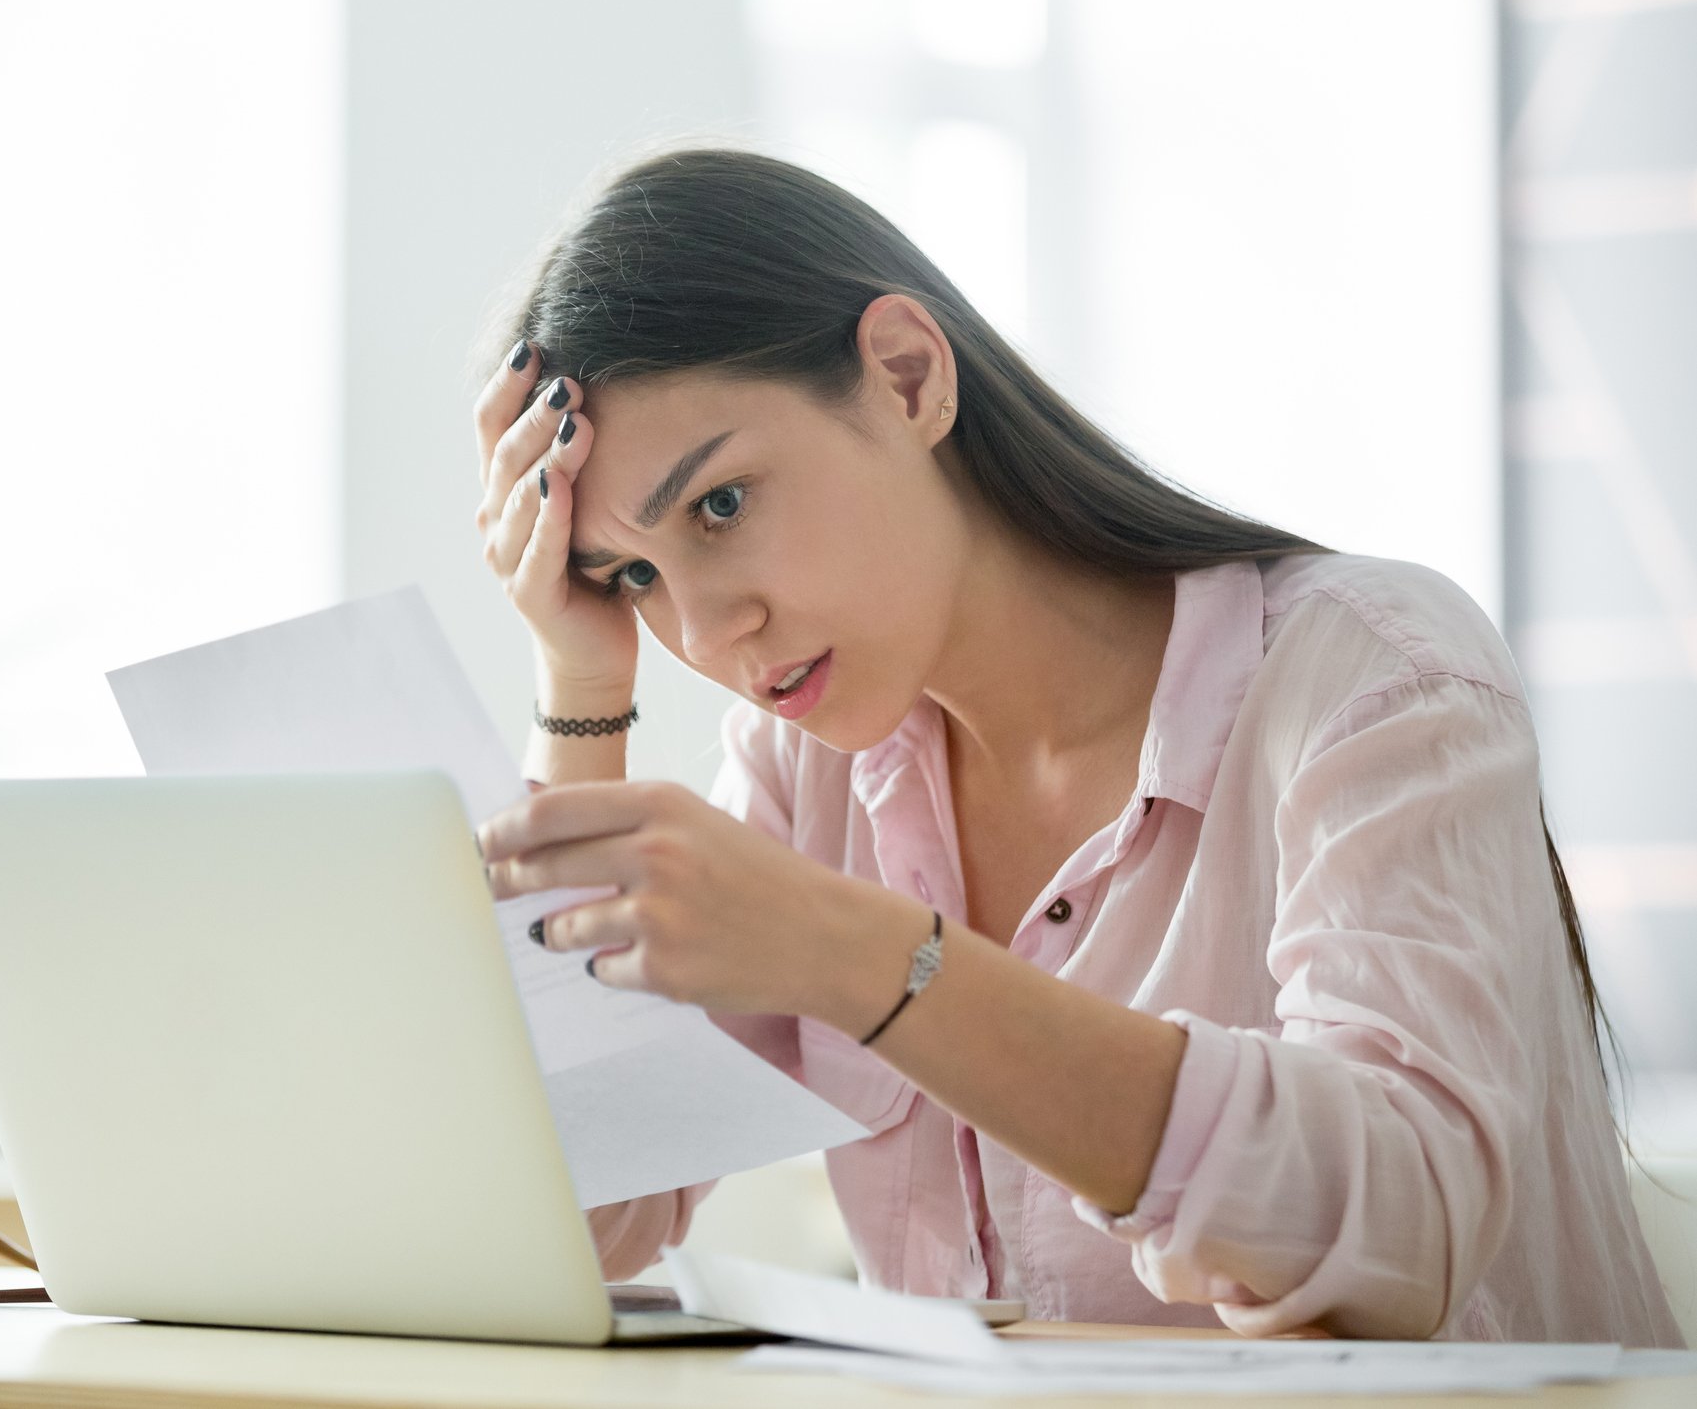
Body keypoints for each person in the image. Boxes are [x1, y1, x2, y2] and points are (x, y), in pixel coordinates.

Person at [466, 143, 1681, 1346]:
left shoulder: (1373, 676)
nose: (707, 628)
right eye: (632, 576)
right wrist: (580, 690)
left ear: (905, 377)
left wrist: (878, 964)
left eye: (720, 505)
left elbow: (1398, 1233)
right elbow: (581, 1218)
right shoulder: (802, 770)